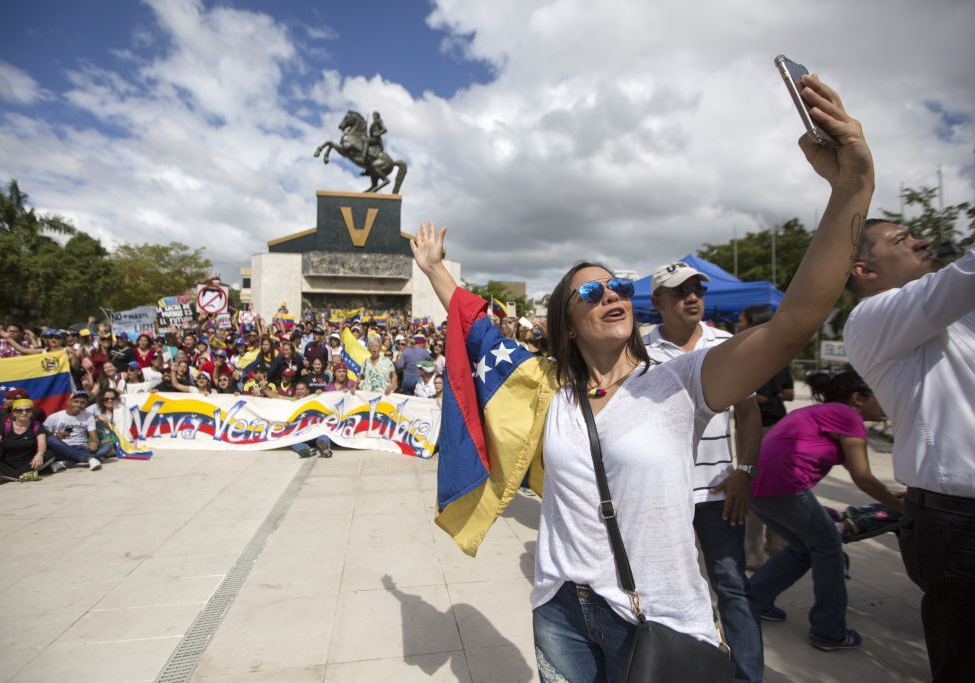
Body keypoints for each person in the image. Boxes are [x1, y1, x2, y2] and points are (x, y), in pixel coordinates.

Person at [411, 71, 874, 681]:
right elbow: (479, 330)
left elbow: (792, 325)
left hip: (655, 616)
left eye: (618, 286)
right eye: (591, 291)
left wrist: (851, 189)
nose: (612, 295)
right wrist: (436, 271)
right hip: (558, 607)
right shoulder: (548, 385)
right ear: (568, 324)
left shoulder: (683, 379)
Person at [842, 221, 975, 681]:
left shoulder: (954, 317)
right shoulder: (872, 316)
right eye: (900, 240)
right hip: (959, 522)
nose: (921, 241)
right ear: (864, 270)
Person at [642, 263, 764, 683]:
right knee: (662, 592)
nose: (692, 297)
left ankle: (748, 676)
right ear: (658, 302)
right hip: (661, 494)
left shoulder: (725, 344)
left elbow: (749, 411)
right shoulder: (638, 351)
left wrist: (744, 470)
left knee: (731, 586)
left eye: (697, 289)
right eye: (679, 291)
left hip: (716, 492)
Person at [749, 369, 903, 650]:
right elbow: (863, 477)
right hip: (785, 486)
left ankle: (755, 600)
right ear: (858, 398)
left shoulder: (827, 413)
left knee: (802, 548)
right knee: (828, 546)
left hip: (758, 487)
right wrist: (900, 506)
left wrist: (894, 496)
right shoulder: (849, 417)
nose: (887, 404)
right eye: (882, 397)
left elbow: (856, 471)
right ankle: (828, 631)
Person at [737, 305, 795, 570]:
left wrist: (761, 397)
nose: (737, 324)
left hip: (759, 430)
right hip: (780, 428)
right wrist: (774, 395)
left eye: (741, 320)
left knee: (753, 489)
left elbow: (753, 399)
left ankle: (753, 553)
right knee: (774, 487)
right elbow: (790, 394)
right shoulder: (780, 357)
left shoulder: (746, 357)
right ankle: (777, 545)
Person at [0, 398, 50, 483]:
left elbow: (42, 443)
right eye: (19, 411)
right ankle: (21, 476)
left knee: (49, 454)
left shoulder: (37, 426)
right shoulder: (6, 426)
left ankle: (3, 476)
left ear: (32, 412)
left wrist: (39, 454)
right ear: (14, 413)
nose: (24, 413)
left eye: (28, 410)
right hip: (7, 462)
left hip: (29, 462)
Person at [44, 391, 101, 470]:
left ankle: (64, 463)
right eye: (76, 401)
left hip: (81, 447)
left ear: (85, 405)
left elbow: (94, 437)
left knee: (107, 446)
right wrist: (57, 437)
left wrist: (94, 443)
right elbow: (45, 437)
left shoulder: (88, 416)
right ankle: (88, 459)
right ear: (69, 402)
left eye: (82, 403)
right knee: (50, 439)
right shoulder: (54, 417)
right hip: (61, 449)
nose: (79, 405)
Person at [288, 381, 333, 458]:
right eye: (297, 389)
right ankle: (308, 451)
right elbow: (277, 397)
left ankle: (325, 449)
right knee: (291, 441)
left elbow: (331, 399)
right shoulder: (291, 402)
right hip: (300, 435)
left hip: (316, 433)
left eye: (302, 389)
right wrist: (264, 388)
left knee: (324, 436)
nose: (299, 391)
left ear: (307, 391)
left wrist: (322, 394)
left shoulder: (315, 400)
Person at [91, 389, 121, 461]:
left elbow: (120, 430)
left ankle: (92, 456)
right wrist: (94, 418)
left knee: (111, 445)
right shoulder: (95, 407)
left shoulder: (121, 409)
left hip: (114, 438)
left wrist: (108, 424)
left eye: (112, 398)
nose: (110, 401)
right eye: (106, 399)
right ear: (101, 399)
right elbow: (82, 415)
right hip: (99, 439)